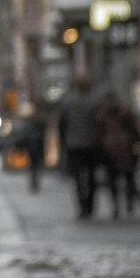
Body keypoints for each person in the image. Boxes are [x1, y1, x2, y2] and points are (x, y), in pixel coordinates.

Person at [94, 91, 140, 218]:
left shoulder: (102, 114)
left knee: (112, 179)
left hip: (109, 148)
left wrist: (99, 149)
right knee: (129, 177)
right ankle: (129, 203)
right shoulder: (124, 111)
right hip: (126, 146)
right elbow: (134, 129)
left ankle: (116, 206)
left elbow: (98, 134)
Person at [57, 76, 101, 218]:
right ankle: (90, 206)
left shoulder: (68, 102)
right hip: (91, 143)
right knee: (91, 177)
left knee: (77, 178)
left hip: (74, 144)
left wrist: (63, 142)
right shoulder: (94, 102)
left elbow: (61, 124)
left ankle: (82, 206)